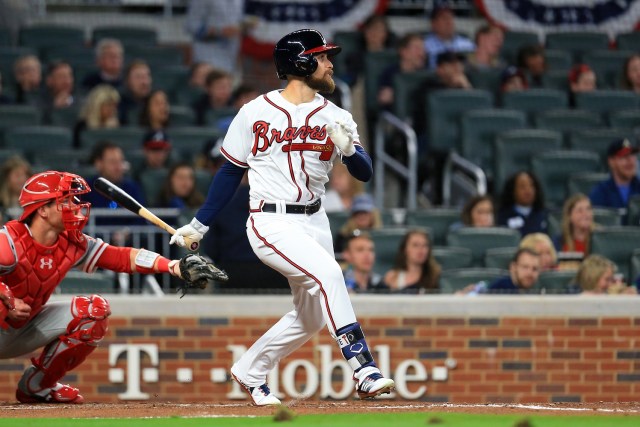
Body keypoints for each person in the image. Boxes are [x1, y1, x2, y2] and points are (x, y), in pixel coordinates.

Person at [169, 28, 395, 405]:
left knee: (310, 317)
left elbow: (364, 173)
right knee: (330, 275)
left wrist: (350, 152)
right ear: (301, 62)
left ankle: (250, 370)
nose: (329, 63)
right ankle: (364, 367)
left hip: (315, 219)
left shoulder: (336, 115)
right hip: (269, 220)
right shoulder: (255, 112)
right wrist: (199, 224)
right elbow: (229, 172)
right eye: (322, 57)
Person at [0, 170, 185, 404]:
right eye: (65, 200)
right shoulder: (8, 240)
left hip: (22, 328)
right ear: (42, 209)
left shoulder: (70, 242)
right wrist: (7, 297)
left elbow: (121, 257)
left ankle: (36, 386)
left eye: (74, 200)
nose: (75, 206)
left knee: (92, 311)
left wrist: (172, 266)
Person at [184, 0, 248, 74]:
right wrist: (219, 31)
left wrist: (245, 28)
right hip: (207, 52)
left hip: (231, 54)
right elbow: (191, 25)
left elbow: (239, 21)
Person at [589, 138, 640, 223]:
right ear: (611, 161)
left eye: (632, 155)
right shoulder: (600, 192)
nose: (630, 161)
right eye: (624, 156)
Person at [376, 33, 427, 111]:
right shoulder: (389, 73)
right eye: (417, 49)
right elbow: (383, 98)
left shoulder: (427, 75)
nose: (422, 54)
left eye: (423, 49)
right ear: (403, 51)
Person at [342, 14, 396, 86]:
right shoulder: (355, 58)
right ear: (365, 33)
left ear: (385, 34)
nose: (375, 33)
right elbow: (347, 81)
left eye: (379, 30)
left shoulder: (393, 58)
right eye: (371, 29)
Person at [383, 229, 441, 294]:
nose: (421, 250)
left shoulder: (435, 277)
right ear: (405, 249)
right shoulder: (392, 277)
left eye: (425, 245)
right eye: (415, 245)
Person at [497, 171, 549, 236]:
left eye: (531, 186)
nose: (528, 190)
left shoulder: (545, 215)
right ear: (513, 191)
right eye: (522, 186)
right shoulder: (502, 216)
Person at [423, 4, 475, 69]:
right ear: (433, 24)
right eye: (444, 18)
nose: (448, 22)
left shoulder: (467, 45)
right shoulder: (425, 46)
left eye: (451, 18)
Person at [571, 254, 636, 295]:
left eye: (612, 280)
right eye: (607, 279)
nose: (610, 284)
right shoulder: (572, 299)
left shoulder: (610, 297)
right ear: (592, 278)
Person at [118, 60, 152, 125]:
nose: (144, 82)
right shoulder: (119, 105)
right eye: (138, 77)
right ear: (128, 81)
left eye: (147, 77)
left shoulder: (155, 103)